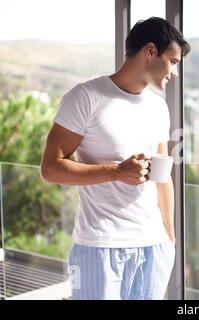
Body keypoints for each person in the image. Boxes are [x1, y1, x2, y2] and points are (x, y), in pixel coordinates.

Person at [40, 17, 190, 300]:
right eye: (173, 61)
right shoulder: (85, 97)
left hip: (153, 247)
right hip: (99, 246)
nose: (175, 72)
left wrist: (169, 238)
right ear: (149, 51)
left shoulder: (158, 108)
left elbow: (162, 176)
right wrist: (116, 171)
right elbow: (50, 168)